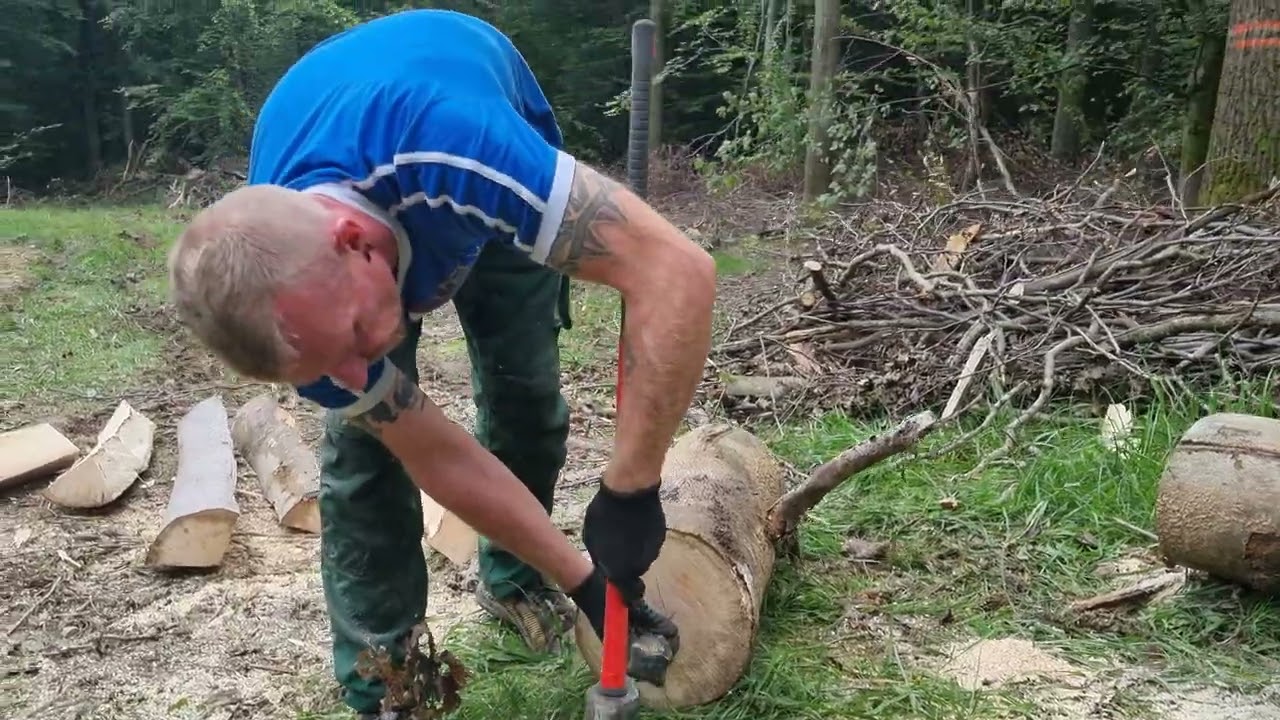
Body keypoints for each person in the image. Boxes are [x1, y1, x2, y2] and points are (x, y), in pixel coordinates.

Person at [165, 8, 715, 719]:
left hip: (458, 135)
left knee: (525, 397)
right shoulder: (294, 322)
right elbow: (437, 454)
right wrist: (586, 578)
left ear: (354, 240)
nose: (369, 363)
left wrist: (631, 490)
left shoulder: (462, 147)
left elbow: (677, 271)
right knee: (365, 461)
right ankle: (388, 684)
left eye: (363, 335)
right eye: (340, 366)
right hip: (361, 167)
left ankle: (514, 582)